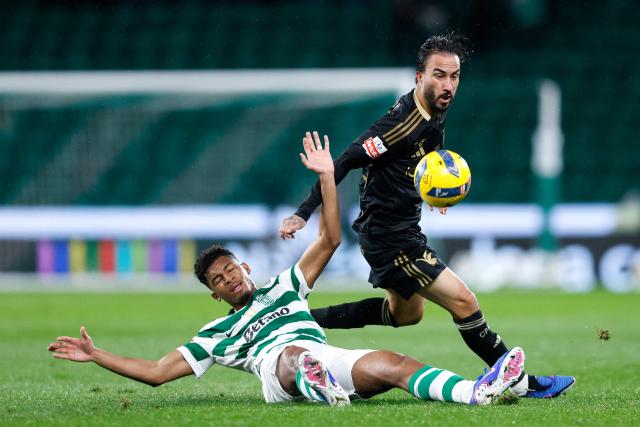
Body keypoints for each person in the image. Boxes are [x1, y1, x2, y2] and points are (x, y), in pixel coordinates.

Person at [48, 131, 526, 407]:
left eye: (230, 269)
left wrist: (326, 178)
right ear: (215, 295)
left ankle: (478, 392)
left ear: (245, 266)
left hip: (325, 359)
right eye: (219, 280)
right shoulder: (219, 331)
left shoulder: (286, 287)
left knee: (392, 363)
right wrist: (98, 355)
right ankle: (315, 381)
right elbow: (155, 372)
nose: (229, 278)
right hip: (282, 375)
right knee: (293, 358)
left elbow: (331, 238)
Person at [279, 33, 574, 399]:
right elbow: (344, 162)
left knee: (405, 314)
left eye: (454, 76)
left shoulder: (436, 110)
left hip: (402, 227)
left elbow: (425, 152)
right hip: (389, 236)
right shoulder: (398, 125)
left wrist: (432, 188)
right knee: (464, 301)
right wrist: (303, 212)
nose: (448, 85)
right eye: (438, 75)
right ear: (419, 77)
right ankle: (521, 382)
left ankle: (298, 319)